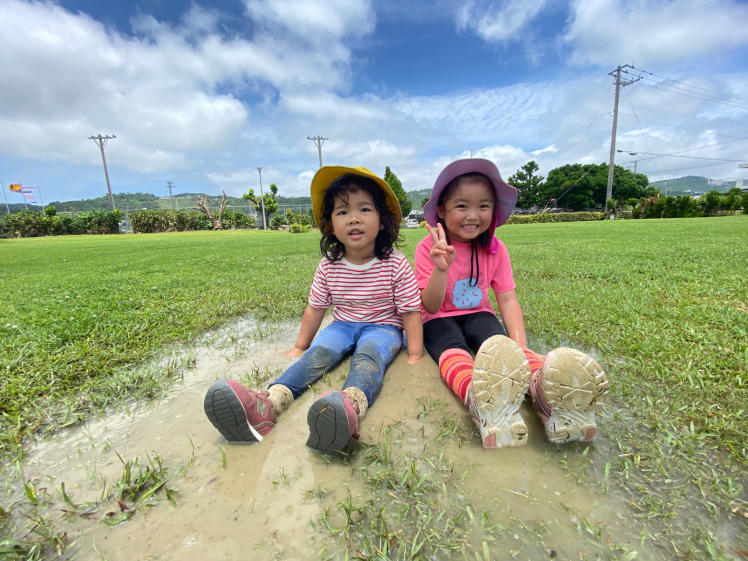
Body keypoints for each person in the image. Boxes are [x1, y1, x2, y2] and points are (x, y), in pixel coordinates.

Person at [204, 166, 423, 455]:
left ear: (382, 221)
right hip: (342, 325)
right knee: (318, 355)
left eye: (364, 209)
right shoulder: (329, 265)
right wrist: (299, 346)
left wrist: (416, 354)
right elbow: (315, 309)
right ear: (330, 224)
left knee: (369, 355)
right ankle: (268, 403)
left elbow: (410, 312)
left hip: (383, 327)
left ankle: (350, 408)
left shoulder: (395, 263)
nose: (354, 218)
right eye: (342, 212)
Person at [415, 158, 608, 448]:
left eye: (483, 205)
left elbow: (506, 298)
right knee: (453, 347)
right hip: (438, 318)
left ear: (493, 210)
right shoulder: (429, 247)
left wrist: (521, 346)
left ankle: (545, 390)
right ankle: (480, 401)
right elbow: (428, 306)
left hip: (477, 312)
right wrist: (441, 268)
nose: (473, 215)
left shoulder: (495, 248)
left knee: (500, 345)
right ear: (441, 210)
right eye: (462, 205)